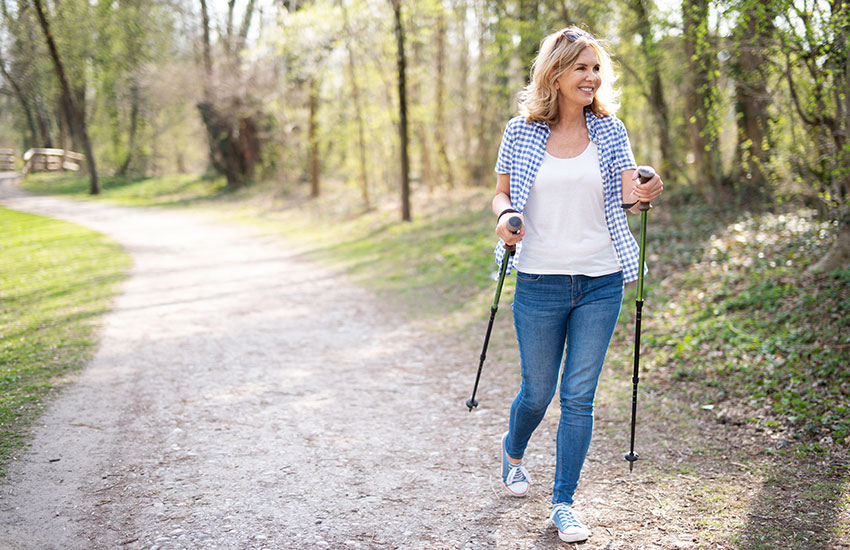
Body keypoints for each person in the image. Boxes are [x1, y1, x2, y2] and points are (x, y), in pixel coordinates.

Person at [491, 26, 664, 543]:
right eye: (581, 68)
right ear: (555, 73)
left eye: (596, 69)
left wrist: (646, 191)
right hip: (539, 280)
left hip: (601, 280)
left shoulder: (611, 130)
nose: (592, 77)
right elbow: (501, 194)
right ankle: (513, 451)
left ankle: (563, 502)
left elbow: (629, 198)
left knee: (579, 397)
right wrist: (505, 218)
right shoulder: (520, 131)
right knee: (537, 392)